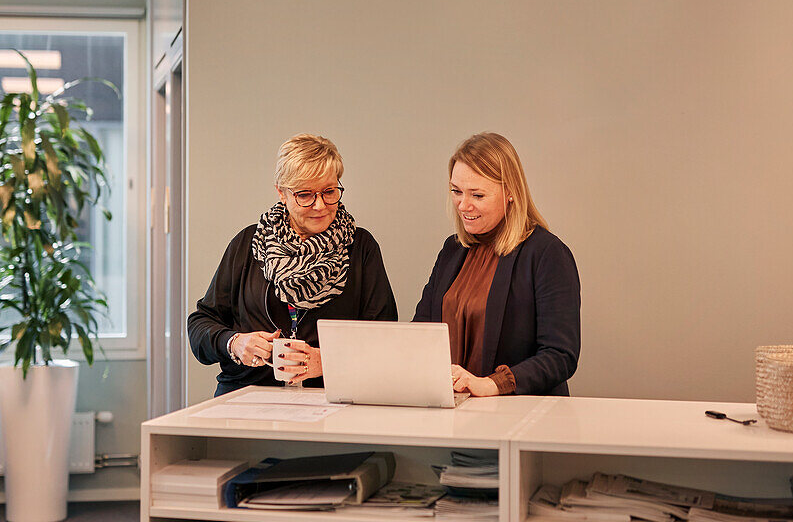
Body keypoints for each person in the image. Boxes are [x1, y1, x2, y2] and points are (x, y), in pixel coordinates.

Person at [188, 134, 398, 396]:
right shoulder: (248, 244)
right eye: (305, 195)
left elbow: (386, 338)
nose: (320, 205)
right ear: (281, 192)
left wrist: (329, 360)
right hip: (247, 396)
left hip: (333, 399)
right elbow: (201, 323)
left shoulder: (360, 247)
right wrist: (234, 343)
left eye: (329, 192)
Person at [413, 132, 580, 397]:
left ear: (510, 192)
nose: (463, 205)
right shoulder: (452, 249)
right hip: (454, 413)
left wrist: (490, 384)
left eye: (477, 195)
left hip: (519, 416)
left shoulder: (547, 253)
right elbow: (422, 331)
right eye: (456, 191)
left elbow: (560, 355)